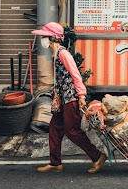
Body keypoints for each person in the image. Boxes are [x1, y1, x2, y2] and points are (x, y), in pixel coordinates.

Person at [31, 22, 106, 174]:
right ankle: (55, 163)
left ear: (52, 38)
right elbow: (60, 79)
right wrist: (56, 96)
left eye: (44, 37)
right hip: (62, 98)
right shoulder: (56, 54)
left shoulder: (63, 54)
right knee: (54, 128)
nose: (42, 40)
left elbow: (75, 75)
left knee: (71, 130)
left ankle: (97, 156)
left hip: (71, 97)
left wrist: (81, 95)